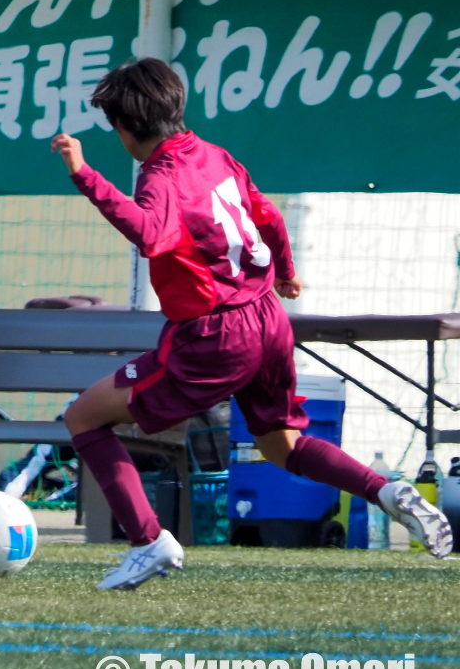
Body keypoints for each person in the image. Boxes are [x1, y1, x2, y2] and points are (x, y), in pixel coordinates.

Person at [53, 58, 452, 589]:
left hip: (213, 336)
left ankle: (149, 543)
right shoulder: (213, 155)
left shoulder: (162, 176)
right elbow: (268, 215)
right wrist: (285, 272)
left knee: (83, 417)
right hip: (267, 319)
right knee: (280, 446)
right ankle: (387, 491)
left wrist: (84, 174)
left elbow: (149, 232)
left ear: (124, 127)